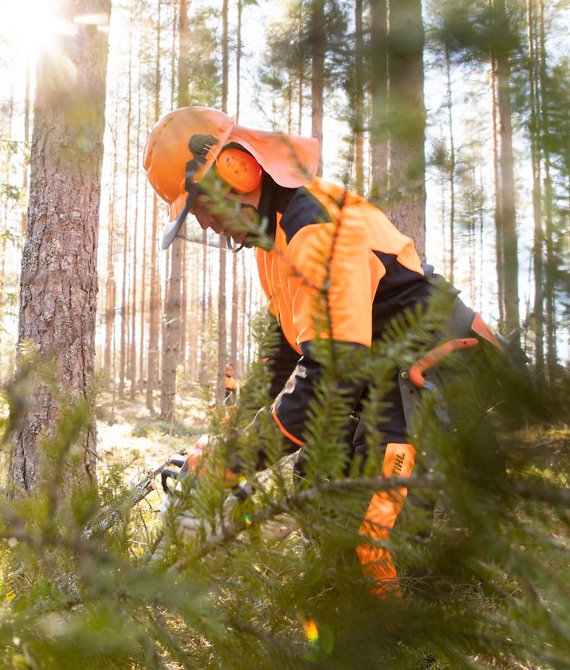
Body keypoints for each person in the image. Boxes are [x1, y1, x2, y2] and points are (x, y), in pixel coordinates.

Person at [142, 106, 501, 597]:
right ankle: (347, 617)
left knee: (376, 534)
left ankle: (406, 643)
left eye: (203, 211)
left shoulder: (316, 228)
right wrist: (225, 436)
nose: (208, 227)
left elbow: (331, 379)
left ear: (236, 171)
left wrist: (234, 462)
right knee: (319, 476)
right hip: (385, 377)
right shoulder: (275, 242)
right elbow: (282, 355)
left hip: (437, 369)